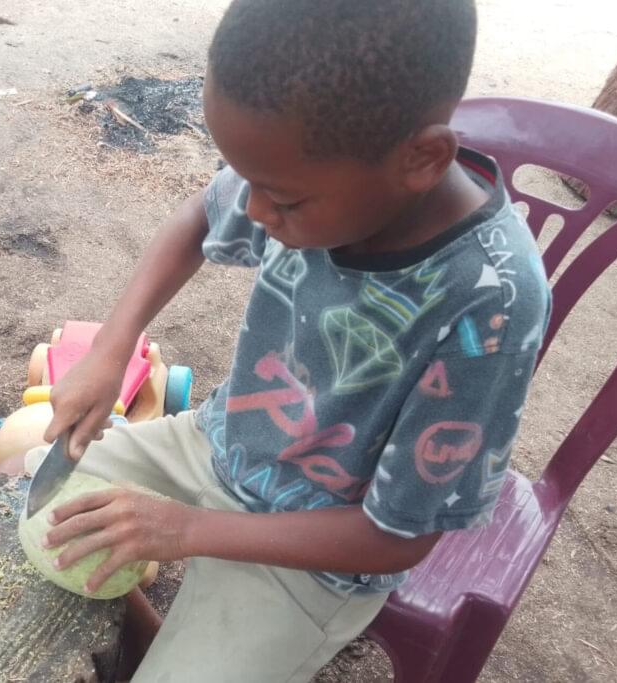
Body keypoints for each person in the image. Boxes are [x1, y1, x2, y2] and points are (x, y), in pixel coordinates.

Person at [29, 0, 551, 680]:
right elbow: (197, 217)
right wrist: (113, 348)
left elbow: (398, 537)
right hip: (220, 448)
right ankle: (151, 639)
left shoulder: (490, 300)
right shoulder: (306, 175)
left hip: (317, 556)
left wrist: (182, 529)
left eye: (279, 199)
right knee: (36, 508)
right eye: (247, 181)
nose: (250, 210)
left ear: (421, 159)